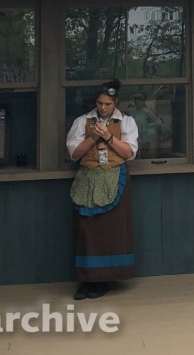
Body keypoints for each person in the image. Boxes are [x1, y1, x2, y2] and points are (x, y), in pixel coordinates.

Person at [65, 79, 139, 300]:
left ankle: (104, 279)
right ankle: (86, 280)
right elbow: (74, 153)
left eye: (108, 103)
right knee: (87, 230)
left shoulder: (125, 122)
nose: (103, 107)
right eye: (100, 103)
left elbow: (129, 152)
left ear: (115, 102)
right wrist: (93, 137)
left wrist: (108, 137)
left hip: (114, 178)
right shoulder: (82, 121)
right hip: (88, 178)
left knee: (110, 230)